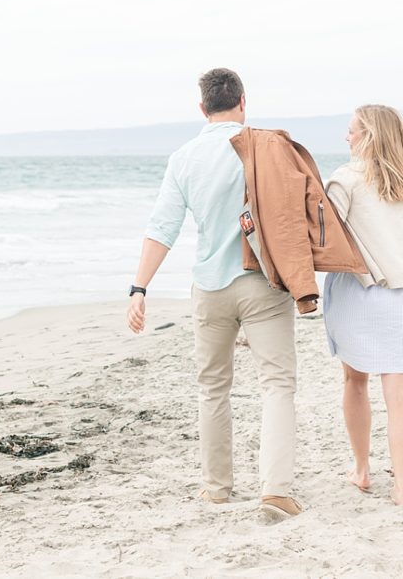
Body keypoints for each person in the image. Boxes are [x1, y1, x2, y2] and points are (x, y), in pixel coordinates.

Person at [127, 68, 302, 519]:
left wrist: (139, 287)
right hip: (264, 281)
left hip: (210, 287)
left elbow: (162, 228)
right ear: (243, 101)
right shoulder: (269, 146)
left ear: (202, 108)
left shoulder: (184, 157)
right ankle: (276, 492)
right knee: (277, 385)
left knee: (212, 389)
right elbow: (298, 211)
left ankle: (217, 488)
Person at [323, 105, 403, 504]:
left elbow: (325, 236)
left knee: (355, 381)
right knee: (398, 397)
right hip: (401, 297)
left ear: (367, 135)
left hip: (360, 294)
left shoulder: (345, 178)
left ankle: (362, 470)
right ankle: (402, 486)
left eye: (351, 131)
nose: (347, 137)